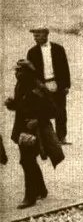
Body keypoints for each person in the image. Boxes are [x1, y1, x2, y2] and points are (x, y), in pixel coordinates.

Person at [6, 59, 61, 208]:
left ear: (27, 72)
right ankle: (41, 189)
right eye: (16, 71)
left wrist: (37, 120)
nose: (16, 74)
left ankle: (30, 197)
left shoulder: (39, 87)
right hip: (22, 130)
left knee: (27, 161)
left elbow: (54, 110)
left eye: (19, 71)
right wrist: (12, 104)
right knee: (27, 161)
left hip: (36, 132)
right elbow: (22, 105)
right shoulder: (20, 85)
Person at [26, 27, 70, 143]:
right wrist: (34, 88)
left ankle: (61, 137)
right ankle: (47, 138)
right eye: (34, 36)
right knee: (42, 111)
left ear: (45, 35)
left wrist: (66, 85)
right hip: (41, 86)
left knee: (61, 111)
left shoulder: (58, 49)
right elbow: (30, 73)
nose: (35, 38)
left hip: (57, 83)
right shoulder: (32, 52)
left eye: (37, 35)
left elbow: (65, 67)